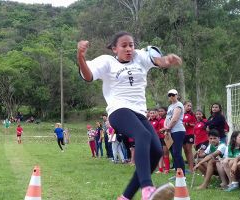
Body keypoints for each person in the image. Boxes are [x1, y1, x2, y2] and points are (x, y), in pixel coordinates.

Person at [77, 31, 182, 200]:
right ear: (114, 49)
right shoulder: (107, 62)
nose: (129, 49)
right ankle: (147, 188)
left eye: (131, 45)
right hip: (118, 110)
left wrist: (167, 60)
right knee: (143, 135)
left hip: (139, 112)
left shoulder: (140, 57)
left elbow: (158, 60)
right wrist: (80, 57)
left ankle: (125, 196)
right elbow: (88, 76)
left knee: (156, 151)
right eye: (124, 46)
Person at [163, 89, 186, 175]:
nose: (171, 97)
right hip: (170, 131)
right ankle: (178, 173)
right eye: (169, 95)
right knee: (173, 153)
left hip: (178, 130)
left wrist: (167, 128)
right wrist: (166, 127)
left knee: (177, 153)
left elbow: (175, 119)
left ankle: (182, 174)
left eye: (173, 95)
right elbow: (167, 118)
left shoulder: (179, 105)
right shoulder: (170, 106)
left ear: (177, 95)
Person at [183, 101, 196, 172]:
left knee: (189, 150)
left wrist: (187, 124)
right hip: (182, 134)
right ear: (184, 106)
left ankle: (192, 168)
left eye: (190, 106)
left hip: (189, 134)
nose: (189, 107)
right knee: (185, 150)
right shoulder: (181, 114)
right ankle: (189, 166)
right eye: (188, 106)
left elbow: (195, 124)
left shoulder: (192, 115)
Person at [158, 107, 170, 174]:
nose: (160, 112)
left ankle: (167, 169)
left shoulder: (167, 119)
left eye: (162, 111)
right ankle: (160, 169)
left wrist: (164, 129)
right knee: (161, 153)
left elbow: (169, 126)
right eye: (159, 111)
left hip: (167, 137)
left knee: (166, 153)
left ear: (166, 111)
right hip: (160, 138)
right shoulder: (159, 119)